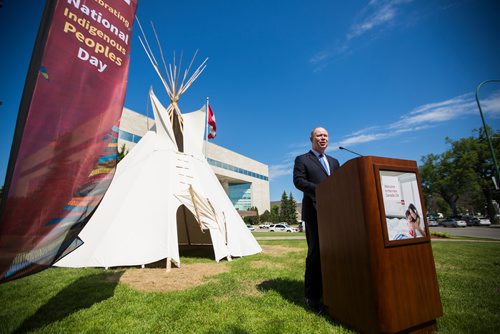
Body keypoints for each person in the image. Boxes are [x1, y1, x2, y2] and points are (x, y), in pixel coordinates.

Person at [293, 127, 340, 315]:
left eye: (326, 135)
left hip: (335, 214)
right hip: (314, 213)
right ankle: (312, 298)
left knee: (335, 253)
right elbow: (298, 181)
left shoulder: (335, 162)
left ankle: (332, 291)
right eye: (319, 135)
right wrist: (321, 189)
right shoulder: (302, 159)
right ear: (311, 139)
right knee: (316, 254)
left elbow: (342, 182)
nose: (323, 138)